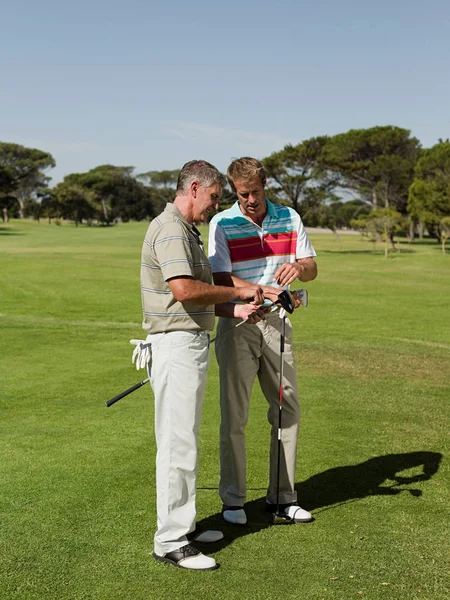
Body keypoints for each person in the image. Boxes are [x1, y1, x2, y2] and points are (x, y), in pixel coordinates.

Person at [140, 159, 272, 571]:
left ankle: (185, 525)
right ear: (194, 187)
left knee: (186, 441)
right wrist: (241, 290)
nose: (216, 206)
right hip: (175, 346)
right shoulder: (170, 229)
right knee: (178, 445)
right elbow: (184, 290)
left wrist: (237, 311)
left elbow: (197, 299)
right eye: (215, 197)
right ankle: (171, 540)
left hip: (188, 341)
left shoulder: (186, 231)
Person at [208, 156, 318, 526]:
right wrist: (257, 290)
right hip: (239, 323)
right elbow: (221, 278)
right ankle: (234, 500)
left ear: (264, 184)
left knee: (288, 409)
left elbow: (312, 268)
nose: (249, 201)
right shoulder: (222, 222)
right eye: (242, 195)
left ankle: (283, 498)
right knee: (235, 415)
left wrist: (299, 268)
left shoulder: (289, 217)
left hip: (279, 324)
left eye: (254, 192)